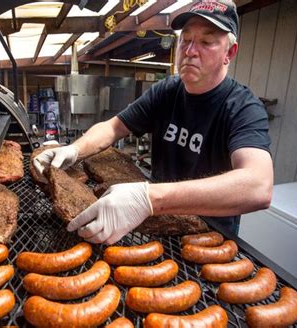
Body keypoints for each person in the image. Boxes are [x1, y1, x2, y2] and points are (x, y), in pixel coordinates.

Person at [34, 0, 273, 245]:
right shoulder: (167, 91)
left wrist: (148, 197)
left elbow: (258, 186)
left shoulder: (243, 108)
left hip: (210, 238)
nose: (190, 50)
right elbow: (114, 127)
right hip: (158, 223)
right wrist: (75, 149)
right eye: (186, 39)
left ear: (229, 54)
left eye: (206, 42)